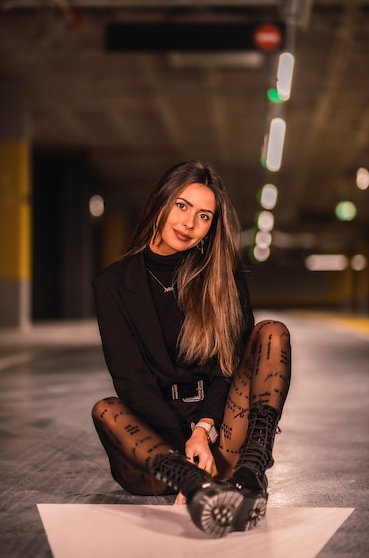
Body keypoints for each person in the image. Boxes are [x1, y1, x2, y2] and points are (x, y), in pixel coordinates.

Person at [92, 160, 291, 539]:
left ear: (212, 226)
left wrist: (203, 430)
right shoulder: (112, 284)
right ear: (161, 202)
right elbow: (131, 381)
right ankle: (195, 484)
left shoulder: (223, 277)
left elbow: (228, 368)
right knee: (106, 409)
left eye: (204, 216)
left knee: (272, 333)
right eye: (182, 206)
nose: (189, 223)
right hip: (156, 454)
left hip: (220, 439)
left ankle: (251, 472)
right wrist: (184, 450)